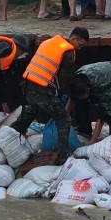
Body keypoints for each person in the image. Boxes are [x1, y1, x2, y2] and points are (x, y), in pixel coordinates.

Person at [13, 27, 90, 161]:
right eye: (80, 45)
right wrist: (68, 94)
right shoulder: (68, 51)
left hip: (26, 84)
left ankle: (10, 137)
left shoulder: (49, 42)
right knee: (64, 120)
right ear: (74, 39)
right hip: (41, 89)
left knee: (30, 113)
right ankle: (64, 156)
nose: (79, 48)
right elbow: (66, 78)